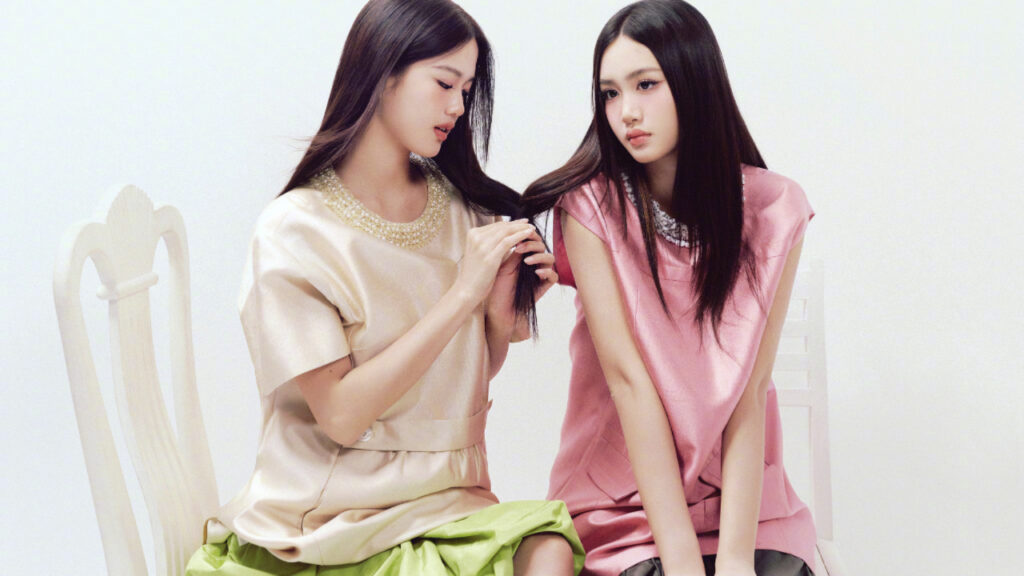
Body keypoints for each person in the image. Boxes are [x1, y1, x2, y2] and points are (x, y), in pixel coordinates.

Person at [186, 1, 584, 574]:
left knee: (548, 548)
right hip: (328, 521)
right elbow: (343, 416)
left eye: (467, 90)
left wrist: (496, 322)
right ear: (383, 71)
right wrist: (462, 296)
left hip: (448, 501)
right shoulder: (296, 230)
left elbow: (450, 387)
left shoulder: (466, 210)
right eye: (444, 83)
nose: (458, 107)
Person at [519, 1, 817, 575]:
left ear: (694, 79)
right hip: (625, 504)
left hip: (746, 507)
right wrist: (682, 563)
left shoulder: (775, 209)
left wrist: (734, 560)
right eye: (610, 93)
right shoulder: (591, 208)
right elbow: (630, 385)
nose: (626, 111)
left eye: (646, 84)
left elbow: (751, 391)